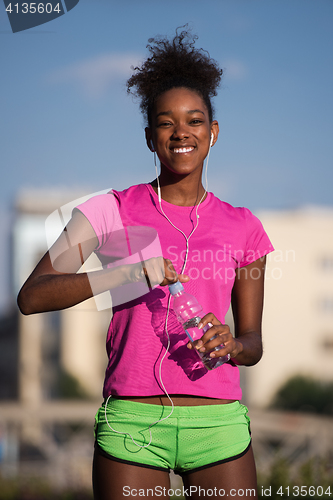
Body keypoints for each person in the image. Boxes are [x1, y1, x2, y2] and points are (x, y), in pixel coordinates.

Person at [18, 27, 274, 500]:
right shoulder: (107, 211)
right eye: (166, 122)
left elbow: (255, 342)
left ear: (213, 133)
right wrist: (128, 273)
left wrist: (235, 345)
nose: (182, 133)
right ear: (149, 137)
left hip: (217, 424)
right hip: (133, 424)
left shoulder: (245, 227)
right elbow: (32, 297)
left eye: (195, 121)